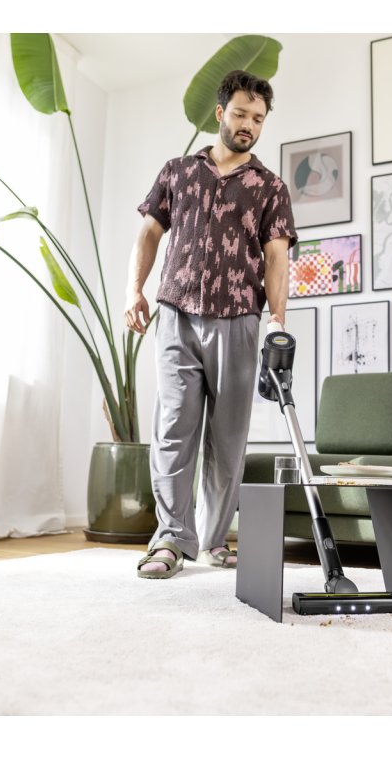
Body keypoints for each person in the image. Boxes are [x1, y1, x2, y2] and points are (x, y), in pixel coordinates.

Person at [126, 70, 296, 579]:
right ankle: (170, 539)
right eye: (241, 114)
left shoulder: (270, 187)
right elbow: (149, 233)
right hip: (177, 314)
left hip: (239, 319)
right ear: (220, 113)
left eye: (258, 119)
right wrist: (134, 289)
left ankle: (214, 540)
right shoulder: (178, 172)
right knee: (173, 430)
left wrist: (277, 319)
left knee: (227, 440)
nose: (249, 125)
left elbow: (277, 258)